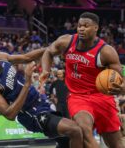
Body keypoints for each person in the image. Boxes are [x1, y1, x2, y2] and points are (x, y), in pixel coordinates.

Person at [0, 39, 83, 148]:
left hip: (41, 102)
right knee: (75, 130)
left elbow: (27, 57)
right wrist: (27, 82)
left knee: (67, 141)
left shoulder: (0, 57)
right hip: (31, 114)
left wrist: (52, 48)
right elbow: (10, 114)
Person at [40, 12, 125, 148]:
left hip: (102, 97)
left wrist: (121, 88)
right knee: (83, 131)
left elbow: (121, 80)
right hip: (78, 97)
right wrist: (45, 69)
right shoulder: (66, 41)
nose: (81, 29)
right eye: (79, 26)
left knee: (116, 144)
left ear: (96, 28)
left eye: (86, 26)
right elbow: (48, 52)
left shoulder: (106, 52)